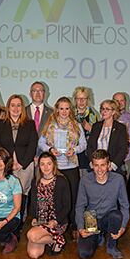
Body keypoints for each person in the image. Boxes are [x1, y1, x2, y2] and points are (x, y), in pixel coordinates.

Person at [38, 97, 87, 231]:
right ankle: (56, 223)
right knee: (56, 197)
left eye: (67, 108)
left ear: (70, 110)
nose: (64, 111)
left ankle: (72, 225)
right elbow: (41, 143)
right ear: (57, 109)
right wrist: (50, 150)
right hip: (54, 168)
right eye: (61, 108)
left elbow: (83, 144)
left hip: (71, 167)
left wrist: (75, 150)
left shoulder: (77, 125)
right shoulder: (49, 125)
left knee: (72, 196)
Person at [75, 150, 130, 259]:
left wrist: (123, 226)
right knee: (84, 254)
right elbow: (80, 206)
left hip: (109, 217)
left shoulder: (118, 180)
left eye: (103, 165)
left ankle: (111, 246)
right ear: (92, 165)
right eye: (96, 165)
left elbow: (124, 205)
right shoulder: (85, 180)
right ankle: (98, 236)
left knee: (116, 215)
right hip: (91, 219)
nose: (99, 169)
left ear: (108, 165)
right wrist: (81, 227)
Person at [0, 94, 39, 206]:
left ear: (22, 108)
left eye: (19, 105)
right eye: (12, 105)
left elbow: (33, 145)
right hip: (5, 165)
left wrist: (21, 164)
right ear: (8, 107)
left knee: (22, 194)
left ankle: (21, 220)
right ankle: (7, 219)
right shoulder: (0, 124)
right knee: (6, 193)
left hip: (25, 166)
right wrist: (8, 163)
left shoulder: (30, 124)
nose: (16, 108)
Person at [26, 152, 72, 258]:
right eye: (42, 164)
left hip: (56, 222)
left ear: (54, 164)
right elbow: (33, 203)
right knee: (34, 255)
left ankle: (57, 238)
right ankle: (54, 240)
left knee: (31, 235)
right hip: (41, 221)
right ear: (39, 166)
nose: (46, 167)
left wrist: (56, 221)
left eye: (49, 164)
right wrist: (33, 217)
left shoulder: (61, 181)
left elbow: (67, 206)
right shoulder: (36, 181)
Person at [87, 99, 129, 175]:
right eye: (102, 109)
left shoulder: (120, 127)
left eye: (107, 109)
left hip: (113, 168)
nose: (104, 111)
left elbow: (123, 149)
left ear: (113, 112)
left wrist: (112, 165)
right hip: (96, 168)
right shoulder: (96, 126)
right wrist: (93, 163)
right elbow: (90, 146)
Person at [73, 86, 99, 173]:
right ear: (75, 100)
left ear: (88, 100)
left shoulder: (93, 115)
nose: (81, 101)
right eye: (78, 98)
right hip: (72, 154)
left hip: (88, 155)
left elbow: (98, 136)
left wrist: (91, 129)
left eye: (84, 98)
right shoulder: (69, 114)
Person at [113, 92, 130, 180]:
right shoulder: (107, 116)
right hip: (111, 157)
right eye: (117, 101)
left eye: (122, 100)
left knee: (124, 183)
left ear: (126, 102)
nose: (119, 103)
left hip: (127, 157)